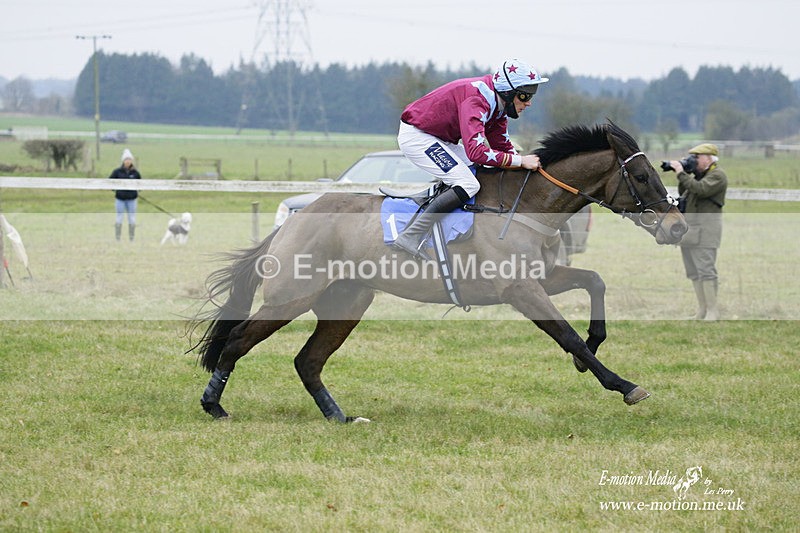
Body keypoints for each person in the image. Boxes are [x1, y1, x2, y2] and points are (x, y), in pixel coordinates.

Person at [393, 59, 548, 259]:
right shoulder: (477, 100)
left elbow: (502, 147)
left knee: (484, 169)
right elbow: (476, 152)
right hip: (418, 137)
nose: (529, 103)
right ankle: (411, 236)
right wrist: (520, 161)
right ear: (509, 93)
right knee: (468, 184)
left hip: (438, 139)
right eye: (525, 95)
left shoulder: (499, 107)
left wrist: (525, 165)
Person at [669, 143, 728, 320]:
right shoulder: (697, 177)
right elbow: (685, 193)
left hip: (707, 231)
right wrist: (684, 175)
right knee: (693, 271)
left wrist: (681, 173)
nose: (693, 161)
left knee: (706, 270)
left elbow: (701, 190)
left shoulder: (718, 175)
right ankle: (702, 310)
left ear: (709, 158)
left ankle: (713, 310)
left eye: (697, 157)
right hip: (690, 230)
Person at [109, 148, 141, 241]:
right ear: (123, 161)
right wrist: (116, 190)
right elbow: (110, 182)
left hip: (132, 199)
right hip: (120, 199)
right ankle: (118, 238)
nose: (128, 161)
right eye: (126, 159)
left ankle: (131, 238)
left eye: (129, 159)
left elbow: (140, 183)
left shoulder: (135, 173)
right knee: (119, 218)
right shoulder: (117, 172)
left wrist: (136, 191)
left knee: (132, 218)